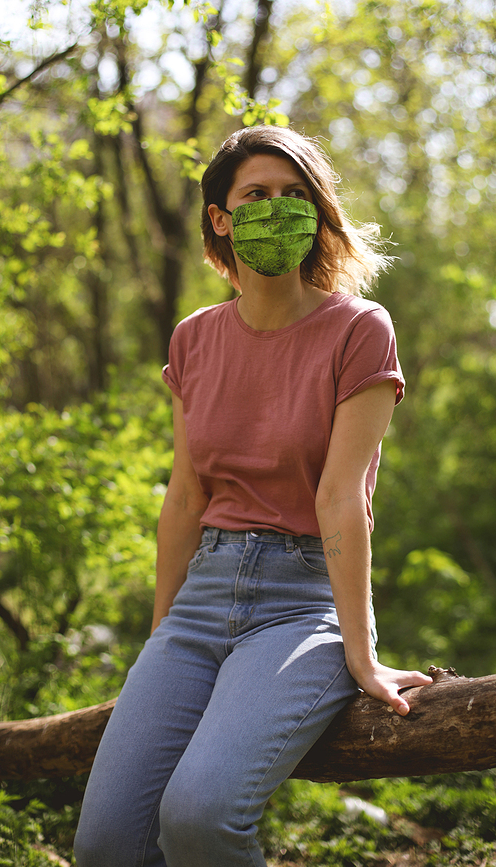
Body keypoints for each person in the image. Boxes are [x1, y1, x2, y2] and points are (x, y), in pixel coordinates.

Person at [73, 125, 432, 867]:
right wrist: (160, 641)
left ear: (317, 211)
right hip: (199, 601)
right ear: (221, 218)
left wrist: (362, 654)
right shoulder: (193, 339)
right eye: (257, 195)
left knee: (200, 817)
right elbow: (185, 496)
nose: (279, 208)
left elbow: (342, 499)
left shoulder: (359, 329)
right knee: (106, 842)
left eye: (296, 194)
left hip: (301, 605)